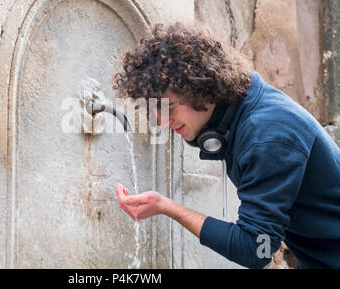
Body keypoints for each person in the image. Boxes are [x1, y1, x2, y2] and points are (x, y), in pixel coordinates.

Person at [112, 22, 340, 269]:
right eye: (156, 110)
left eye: (169, 106)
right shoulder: (249, 112)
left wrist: (167, 207)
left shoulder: (266, 136)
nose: (162, 120)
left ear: (198, 87)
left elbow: (256, 249)